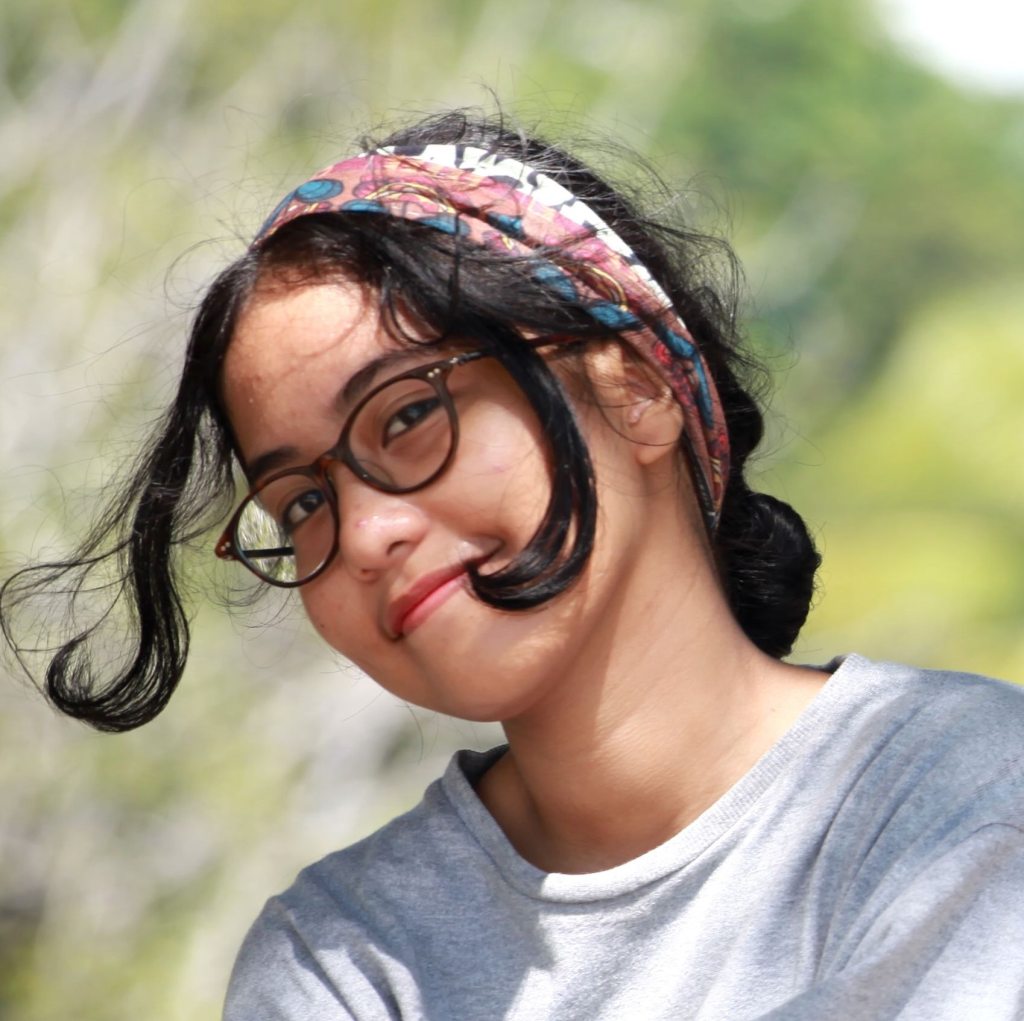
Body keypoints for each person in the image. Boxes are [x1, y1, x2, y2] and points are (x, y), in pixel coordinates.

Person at [4, 109, 1024, 1020]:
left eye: (408, 414)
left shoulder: (970, 795)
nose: (363, 534)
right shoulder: (339, 958)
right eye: (302, 503)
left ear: (634, 387)